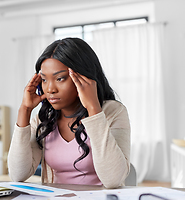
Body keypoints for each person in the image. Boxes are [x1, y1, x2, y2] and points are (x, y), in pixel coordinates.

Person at [7, 37, 131, 188]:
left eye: (60, 78)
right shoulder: (44, 119)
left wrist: (93, 109)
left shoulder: (113, 112)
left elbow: (113, 180)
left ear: (84, 77)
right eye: (44, 80)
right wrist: (24, 110)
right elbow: (17, 174)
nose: (50, 89)